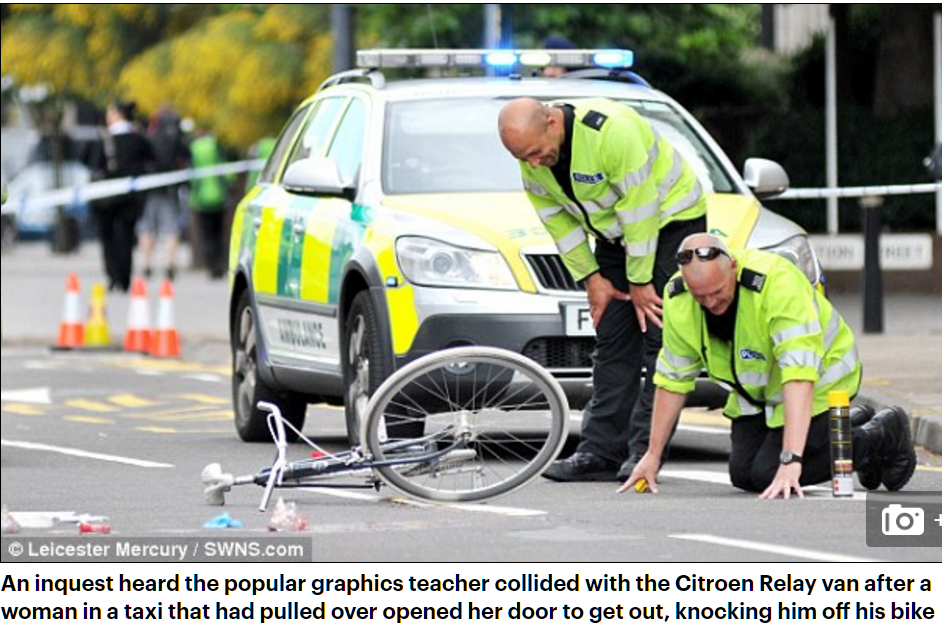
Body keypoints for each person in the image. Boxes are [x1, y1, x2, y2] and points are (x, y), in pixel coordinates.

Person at [498, 97, 707, 482]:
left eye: (533, 153)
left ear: (552, 123)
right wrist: (593, 279)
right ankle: (599, 451)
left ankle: (645, 452)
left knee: (659, 338)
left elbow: (640, 209)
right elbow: (557, 223)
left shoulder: (612, 133)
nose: (531, 164)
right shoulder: (532, 157)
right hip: (616, 237)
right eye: (521, 157)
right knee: (612, 338)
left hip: (670, 221)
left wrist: (640, 281)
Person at [619, 233, 917, 499]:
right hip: (760, 396)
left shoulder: (776, 282)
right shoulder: (678, 297)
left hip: (823, 380)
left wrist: (791, 461)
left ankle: (881, 435)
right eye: (701, 297)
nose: (711, 303)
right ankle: (847, 425)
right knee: (743, 473)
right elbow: (672, 380)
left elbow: (799, 374)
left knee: (768, 472)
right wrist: (652, 456)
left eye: (718, 292)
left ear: (733, 268)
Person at [90, 101, 153, 293]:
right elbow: (151, 160)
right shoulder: (138, 139)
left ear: (117, 114)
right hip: (131, 198)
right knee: (126, 235)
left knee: (107, 236)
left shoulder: (103, 139)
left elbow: (93, 163)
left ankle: (112, 275)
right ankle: (125, 278)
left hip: (106, 198)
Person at [138, 105, 187, 281]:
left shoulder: (148, 136)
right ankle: (169, 264)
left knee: (147, 228)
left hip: (149, 190)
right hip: (169, 190)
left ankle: (147, 264)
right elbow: (186, 159)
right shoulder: (177, 138)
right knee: (171, 229)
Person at [188, 130, 230, 279]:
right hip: (218, 197)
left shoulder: (193, 149)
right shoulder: (216, 147)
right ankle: (220, 265)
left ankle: (211, 266)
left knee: (206, 235)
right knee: (219, 233)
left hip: (201, 199)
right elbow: (227, 173)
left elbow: (191, 176)